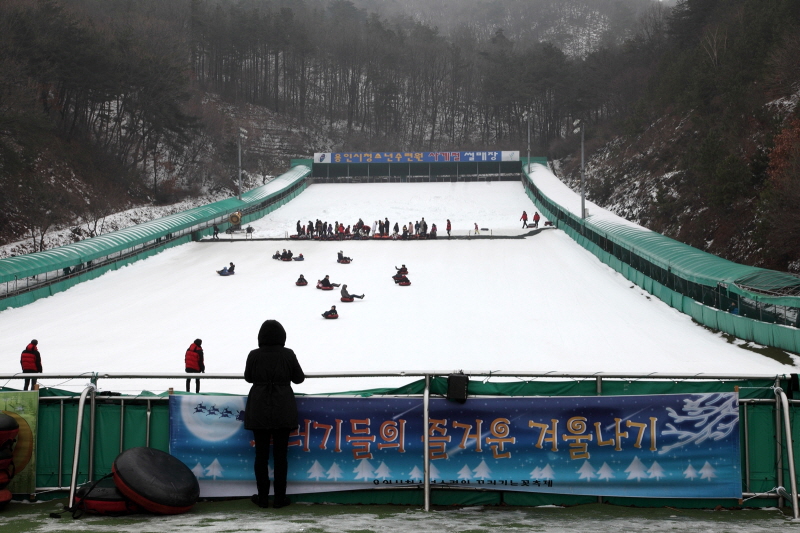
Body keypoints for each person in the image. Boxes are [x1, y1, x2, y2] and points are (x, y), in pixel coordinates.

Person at [245, 320, 305, 509]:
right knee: (281, 456)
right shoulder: (288, 354)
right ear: (282, 337)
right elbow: (299, 378)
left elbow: (248, 377)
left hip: (258, 409)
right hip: (283, 409)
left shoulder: (254, 355)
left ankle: (263, 498)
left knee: (260, 456)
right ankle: (280, 498)